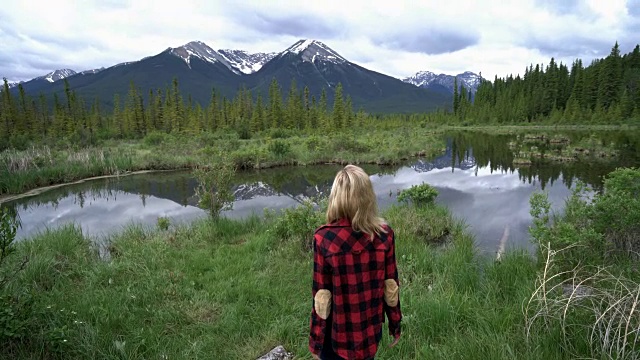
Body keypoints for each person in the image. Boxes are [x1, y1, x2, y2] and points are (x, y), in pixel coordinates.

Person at [309, 165, 402, 360]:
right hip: (369, 333)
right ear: (367, 197)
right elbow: (391, 288)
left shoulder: (323, 238)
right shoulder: (384, 235)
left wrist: (316, 343)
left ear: (336, 196)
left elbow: (321, 297)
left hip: (335, 339)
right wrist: (395, 325)